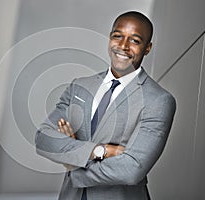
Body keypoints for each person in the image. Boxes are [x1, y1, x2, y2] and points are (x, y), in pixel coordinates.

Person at [35, 11, 176, 200]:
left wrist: (72, 162)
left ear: (147, 48)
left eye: (134, 40)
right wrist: (100, 151)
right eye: (118, 36)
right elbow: (44, 138)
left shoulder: (158, 100)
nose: (123, 46)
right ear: (110, 38)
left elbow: (131, 169)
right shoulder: (79, 87)